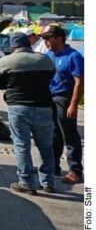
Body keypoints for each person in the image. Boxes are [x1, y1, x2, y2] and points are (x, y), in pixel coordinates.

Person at [0, 32, 56, 194]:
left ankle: (27, 182)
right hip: (44, 106)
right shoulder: (45, 59)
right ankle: (48, 182)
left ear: (13, 46)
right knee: (46, 146)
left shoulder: (6, 61)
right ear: (28, 44)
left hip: (18, 106)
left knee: (22, 145)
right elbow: (51, 76)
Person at [42, 26, 84, 184]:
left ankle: (75, 170)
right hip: (50, 98)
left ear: (59, 38)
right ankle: (54, 166)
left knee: (69, 134)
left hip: (65, 98)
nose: (45, 42)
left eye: (48, 38)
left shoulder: (73, 56)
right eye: (44, 39)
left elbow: (80, 83)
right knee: (53, 134)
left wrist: (73, 105)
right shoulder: (49, 55)